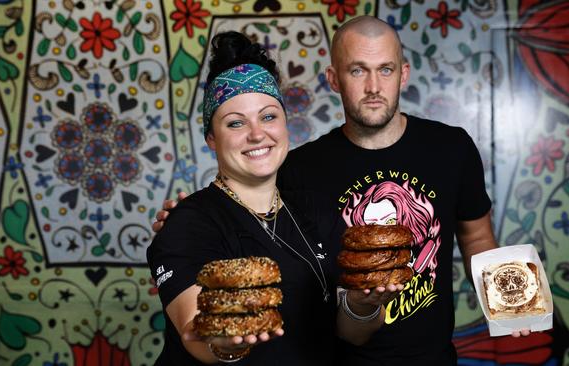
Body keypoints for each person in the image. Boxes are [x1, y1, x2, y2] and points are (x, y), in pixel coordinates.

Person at [153, 17, 530, 366]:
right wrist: (183, 221)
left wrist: (513, 304)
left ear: (403, 74)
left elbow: (478, 236)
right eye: (357, 71)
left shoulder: (451, 148)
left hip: (428, 355)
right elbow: (236, 203)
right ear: (334, 78)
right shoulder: (297, 170)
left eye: (385, 69)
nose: (373, 87)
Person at [147, 31, 402, 365]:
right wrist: (225, 341)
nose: (257, 134)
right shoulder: (187, 221)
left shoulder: (314, 210)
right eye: (235, 123)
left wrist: (364, 304)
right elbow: (198, 337)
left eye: (268, 116)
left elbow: (351, 333)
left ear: (285, 124)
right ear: (211, 138)